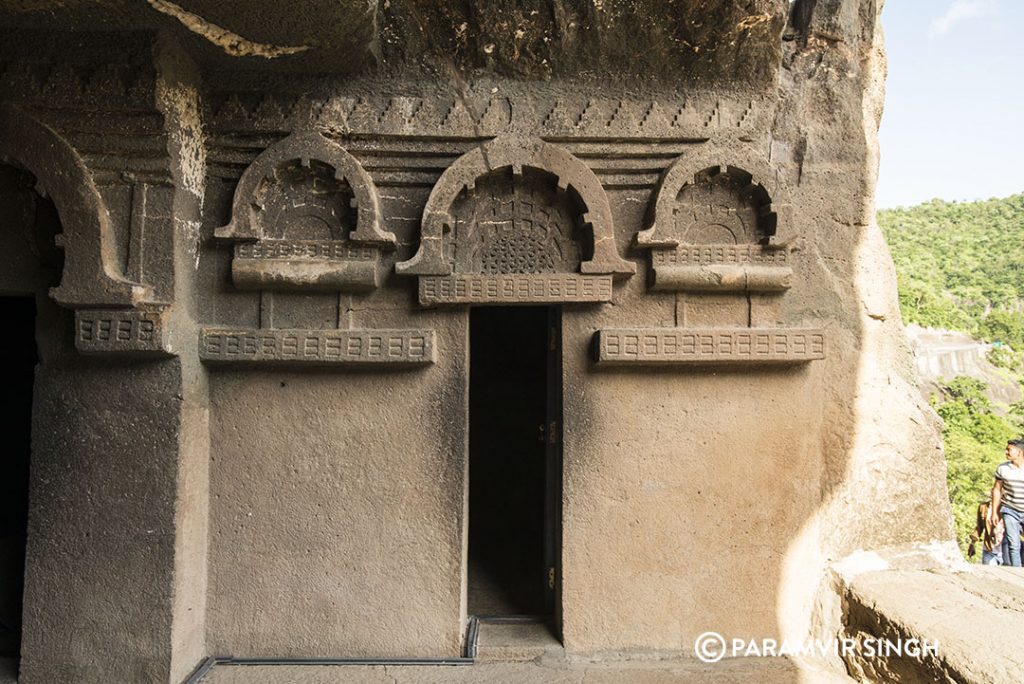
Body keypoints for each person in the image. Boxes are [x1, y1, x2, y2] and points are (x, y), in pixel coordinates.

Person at [987, 439, 1024, 566]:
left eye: (1009, 450)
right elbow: (997, 490)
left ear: (1019, 452)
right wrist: (994, 513)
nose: (1006, 452)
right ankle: (1018, 573)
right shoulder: (1003, 468)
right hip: (1010, 509)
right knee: (1013, 544)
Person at [968, 500, 1004, 565]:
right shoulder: (984, 507)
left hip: (1007, 551)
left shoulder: (1008, 507)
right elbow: (979, 527)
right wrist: (972, 544)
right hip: (989, 549)